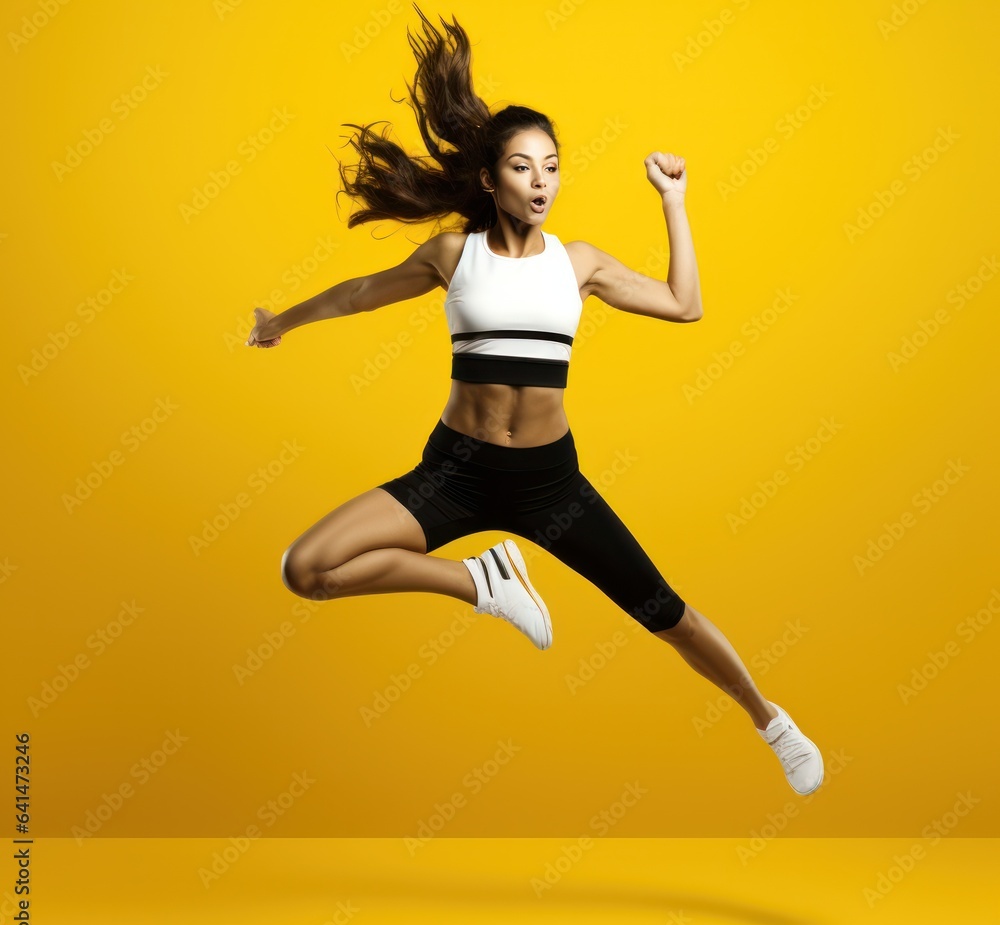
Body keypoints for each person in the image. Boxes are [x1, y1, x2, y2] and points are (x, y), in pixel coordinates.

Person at [245, 4, 823, 796]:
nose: (541, 181)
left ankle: (772, 722)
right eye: (523, 167)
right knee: (306, 569)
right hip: (453, 472)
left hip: (551, 485)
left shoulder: (577, 262)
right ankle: (480, 582)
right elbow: (357, 296)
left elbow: (684, 305)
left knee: (667, 614)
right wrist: (282, 321)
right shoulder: (452, 255)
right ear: (491, 178)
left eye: (551, 165)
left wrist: (674, 201)